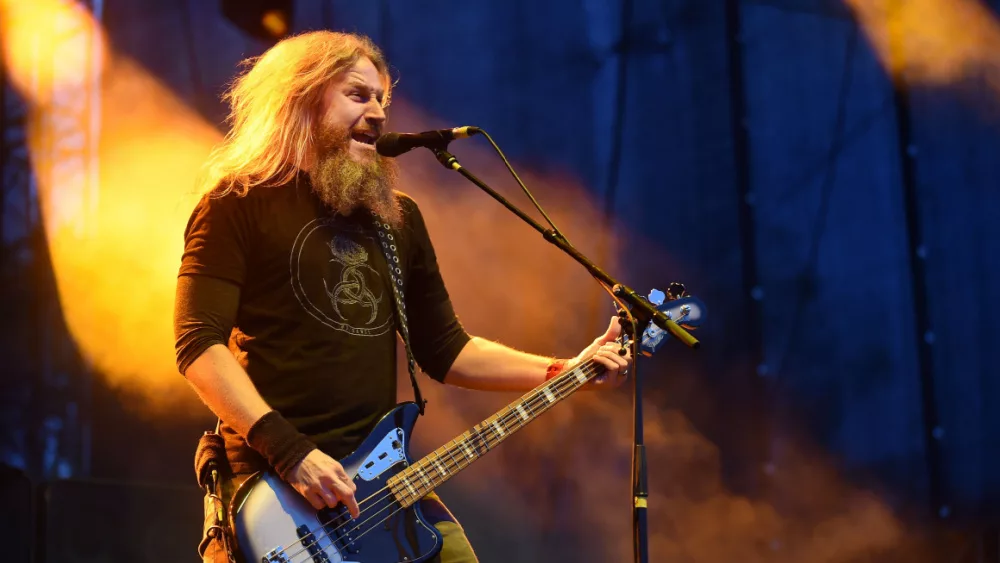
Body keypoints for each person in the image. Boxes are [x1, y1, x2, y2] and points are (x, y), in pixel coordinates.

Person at [173, 30, 632, 563]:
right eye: (357, 95)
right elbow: (197, 344)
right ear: (300, 99)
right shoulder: (236, 203)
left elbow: (447, 349)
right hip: (271, 488)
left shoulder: (397, 219)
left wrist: (563, 370)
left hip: (381, 482)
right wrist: (292, 452)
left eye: (381, 99)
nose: (377, 113)